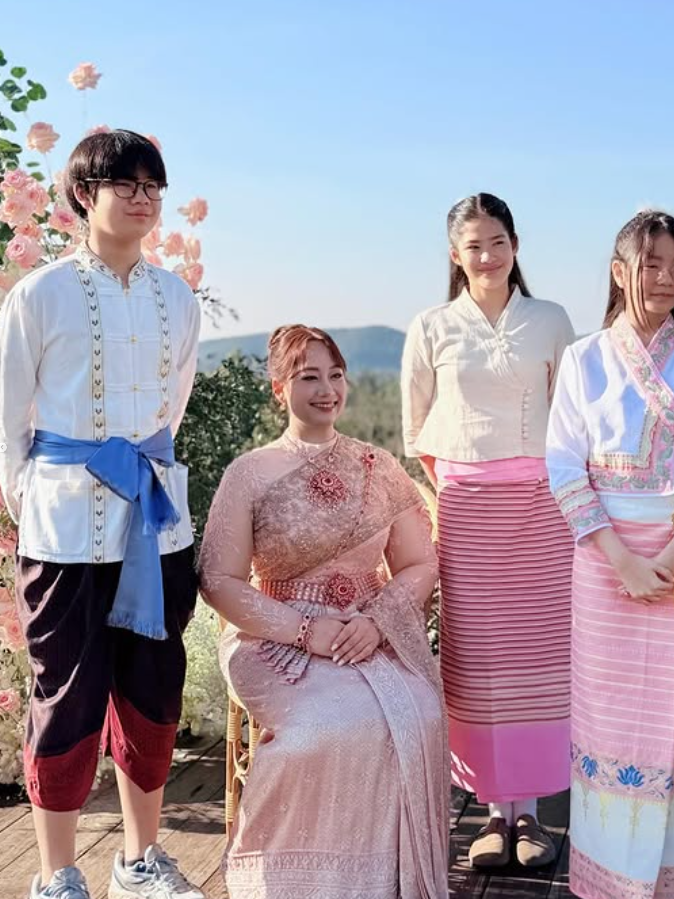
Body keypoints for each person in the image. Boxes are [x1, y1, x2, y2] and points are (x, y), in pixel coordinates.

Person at [0, 130, 203, 899]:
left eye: (153, 185)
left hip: (156, 518)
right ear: (85, 195)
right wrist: (34, 500)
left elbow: (171, 408)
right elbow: (7, 419)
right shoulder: (39, 294)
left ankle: (139, 861)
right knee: (67, 693)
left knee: (152, 692)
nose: (143, 198)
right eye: (126, 184)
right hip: (63, 528)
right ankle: (57, 873)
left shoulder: (176, 297)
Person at [199, 325, 448, 899]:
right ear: (279, 389)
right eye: (308, 377)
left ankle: (388, 881)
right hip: (273, 636)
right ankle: (301, 881)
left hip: (367, 630)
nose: (327, 390)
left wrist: (377, 621)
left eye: (335, 375)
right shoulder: (249, 473)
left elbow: (420, 565)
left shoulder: (378, 467)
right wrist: (306, 630)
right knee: (328, 723)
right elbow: (218, 580)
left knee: (421, 712)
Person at [546, 210, 674, 899]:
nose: (665, 279)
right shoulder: (584, 360)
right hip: (606, 563)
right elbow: (564, 466)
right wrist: (622, 560)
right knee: (612, 716)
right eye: (651, 263)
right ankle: (611, 875)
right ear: (618, 270)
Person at [401, 193, 575, 868]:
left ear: (515, 245)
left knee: (537, 655)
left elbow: (571, 415)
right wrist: (452, 491)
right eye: (473, 245)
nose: (487, 255)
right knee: (478, 659)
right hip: (466, 511)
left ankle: (528, 814)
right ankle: (491, 813)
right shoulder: (431, 325)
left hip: (543, 508)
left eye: (497, 241)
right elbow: (416, 427)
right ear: (455, 254)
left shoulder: (550, 319)